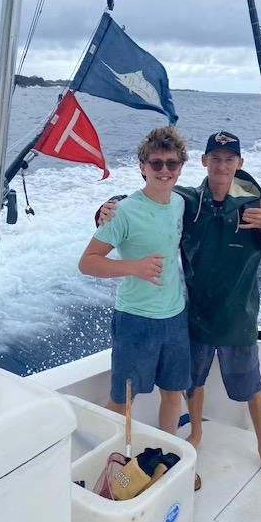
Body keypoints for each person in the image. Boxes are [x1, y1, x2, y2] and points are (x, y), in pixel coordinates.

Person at [98, 130, 261, 488]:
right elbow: (148, 197)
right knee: (192, 383)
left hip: (236, 319)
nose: (222, 165)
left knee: (251, 387)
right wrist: (108, 205)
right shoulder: (189, 202)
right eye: (215, 158)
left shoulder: (254, 207)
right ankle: (195, 432)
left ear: (239, 164)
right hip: (193, 317)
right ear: (204, 162)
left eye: (229, 160)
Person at [79, 126, 190, 435]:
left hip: (176, 317)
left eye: (172, 163)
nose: (164, 170)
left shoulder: (181, 203)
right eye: (156, 163)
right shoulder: (123, 212)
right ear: (143, 167)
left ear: (180, 167)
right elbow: (87, 262)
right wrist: (133, 267)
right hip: (136, 321)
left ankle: (169, 454)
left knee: (172, 393)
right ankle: (104, 458)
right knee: (123, 400)